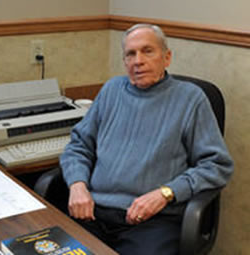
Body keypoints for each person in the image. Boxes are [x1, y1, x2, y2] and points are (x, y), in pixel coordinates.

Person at [59, 23, 234, 255]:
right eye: (130, 54)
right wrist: (77, 185)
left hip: (153, 221)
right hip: (93, 211)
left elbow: (216, 165)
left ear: (167, 57)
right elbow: (79, 145)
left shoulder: (191, 99)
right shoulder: (111, 90)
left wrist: (166, 193)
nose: (138, 60)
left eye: (147, 51)